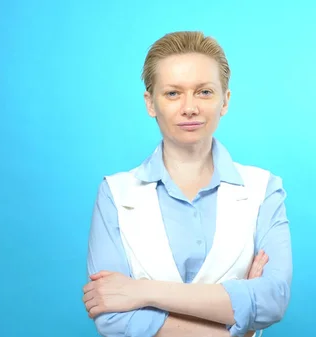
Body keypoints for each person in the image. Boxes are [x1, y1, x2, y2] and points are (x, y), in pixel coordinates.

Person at [82, 31, 292, 337]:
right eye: (172, 93)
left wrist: (144, 293)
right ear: (150, 103)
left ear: (225, 101)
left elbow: (273, 299)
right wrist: (237, 320)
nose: (189, 107)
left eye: (204, 92)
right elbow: (111, 314)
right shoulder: (115, 193)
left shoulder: (263, 189)